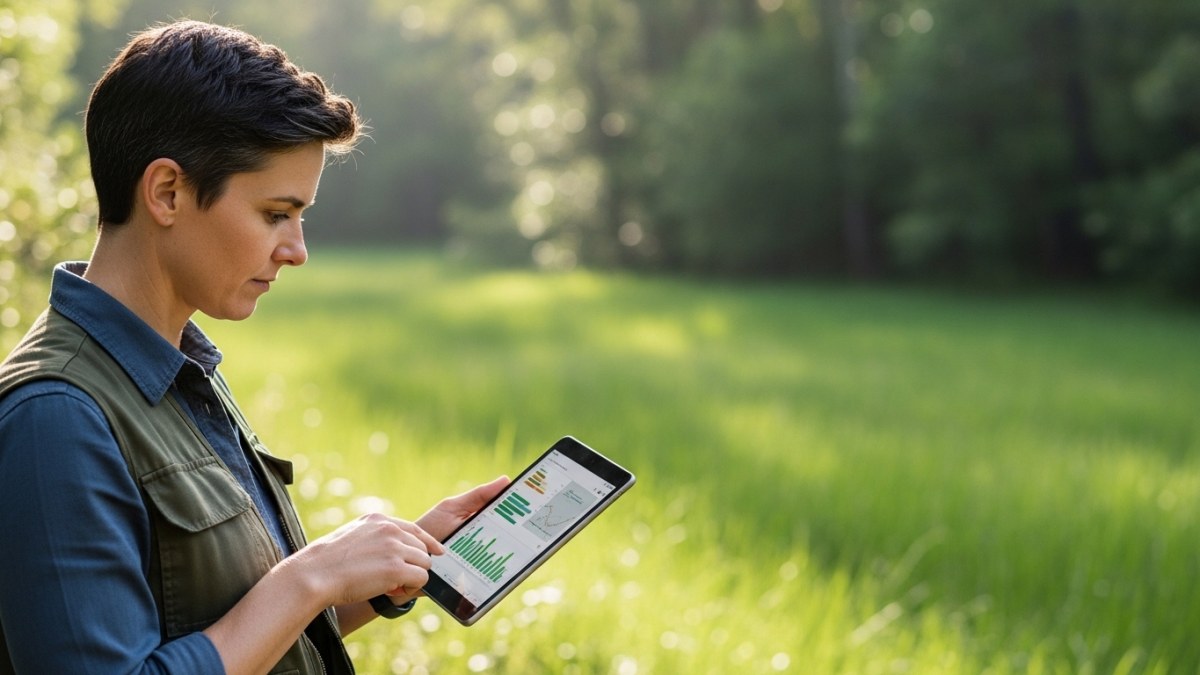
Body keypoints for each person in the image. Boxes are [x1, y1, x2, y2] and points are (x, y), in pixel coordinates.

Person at [0, 19, 507, 675]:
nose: (296, 250)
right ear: (167, 192)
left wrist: (389, 566)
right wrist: (310, 576)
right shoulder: (56, 418)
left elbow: (229, 629)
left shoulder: (180, 371)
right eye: (276, 213)